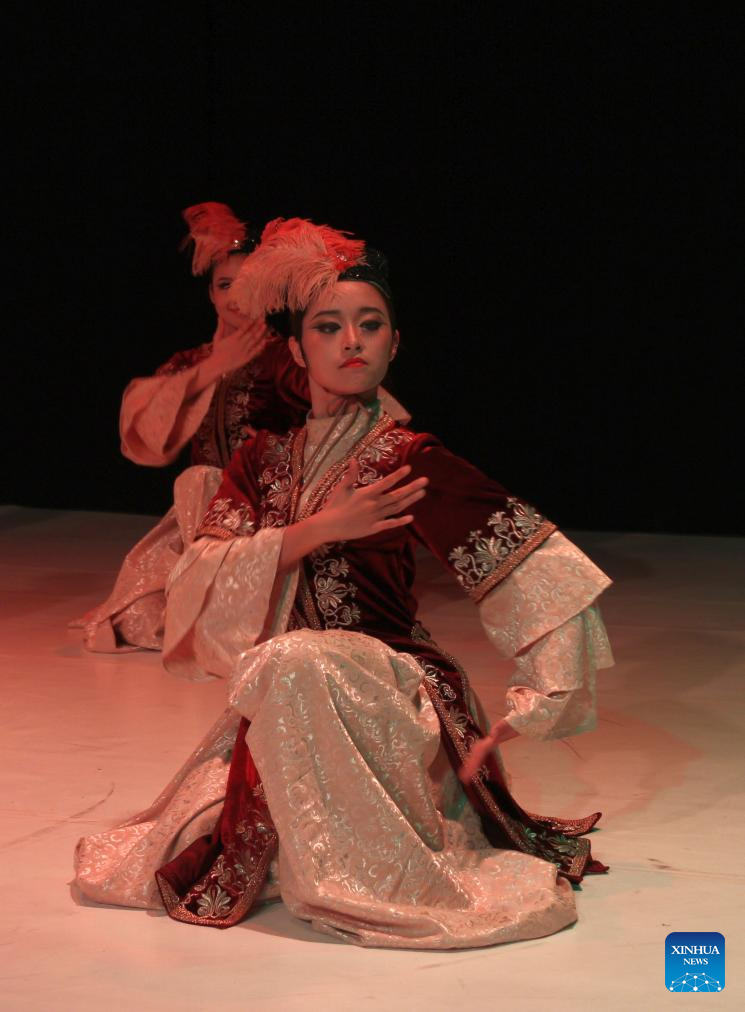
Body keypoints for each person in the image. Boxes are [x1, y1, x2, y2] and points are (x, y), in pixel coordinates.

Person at [74, 219, 613, 950]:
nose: (351, 340)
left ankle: (366, 881)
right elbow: (197, 576)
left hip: (392, 685)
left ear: (395, 343)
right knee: (176, 836)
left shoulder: (406, 456)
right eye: (329, 326)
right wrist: (315, 530)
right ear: (297, 349)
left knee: (296, 661)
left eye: (370, 324)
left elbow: (534, 567)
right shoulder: (262, 460)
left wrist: (537, 703)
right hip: (289, 690)